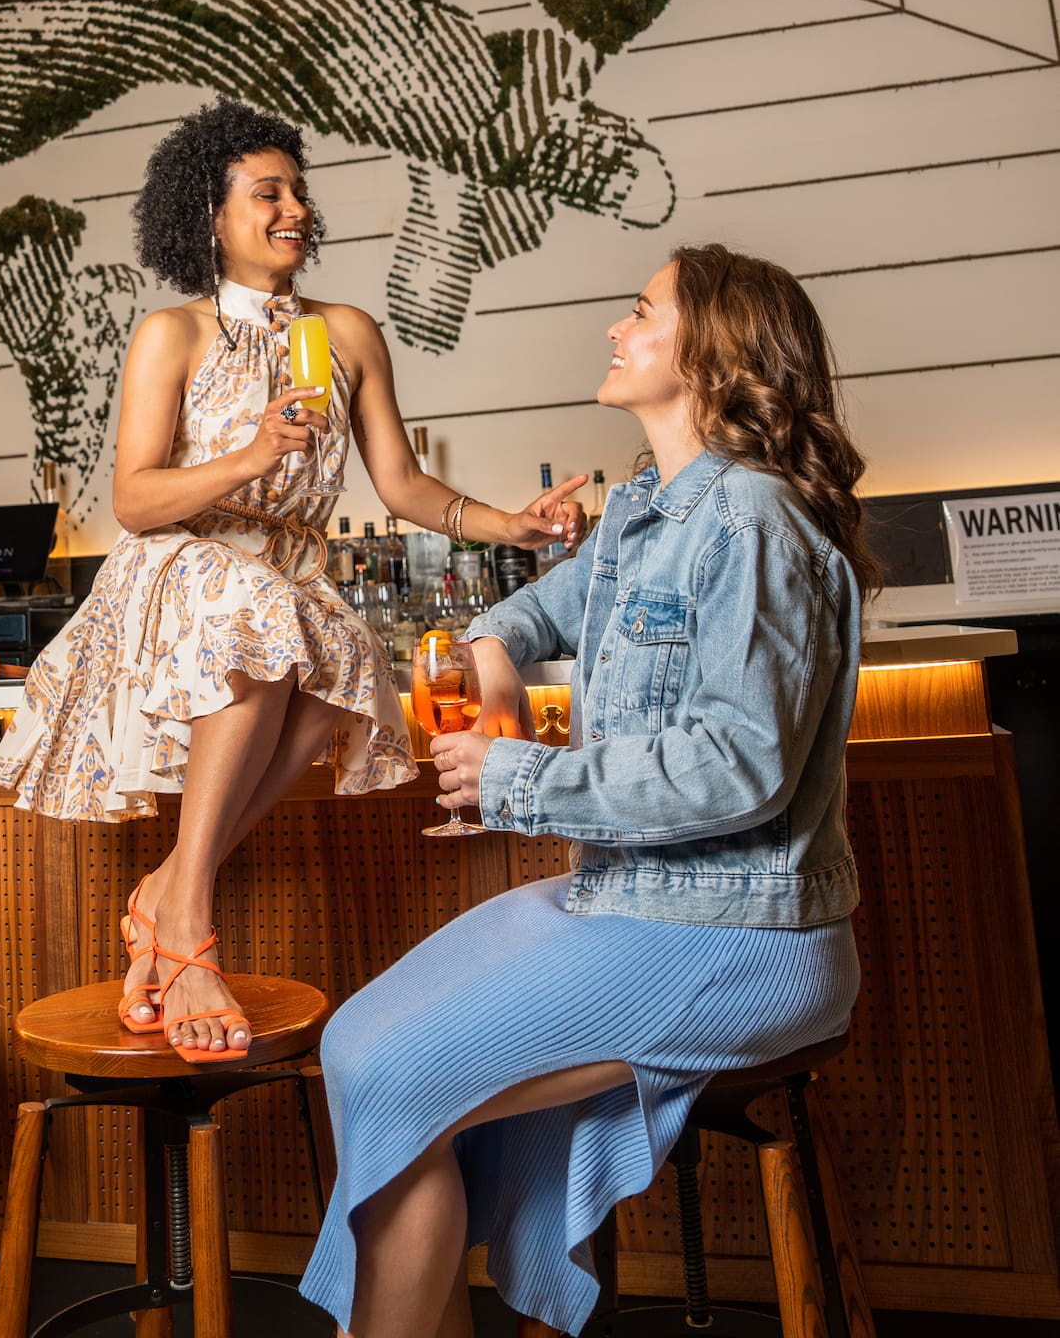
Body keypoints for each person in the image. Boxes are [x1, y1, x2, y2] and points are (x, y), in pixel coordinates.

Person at [298, 242, 880, 1338]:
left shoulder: (753, 522)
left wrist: (515, 773)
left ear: (712, 352)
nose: (616, 329)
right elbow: (515, 616)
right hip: (632, 899)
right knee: (360, 1041)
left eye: (640, 311)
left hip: (737, 933)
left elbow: (737, 766)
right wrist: (495, 658)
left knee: (384, 1063)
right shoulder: (644, 511)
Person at [0, 97, 586, 1059]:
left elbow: (400, 484)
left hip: (290, 578)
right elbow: (136, 501)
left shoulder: (347, 333)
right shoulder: (170, 336)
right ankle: (188, 923)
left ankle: (172, 885)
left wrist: (511, 522)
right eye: (267, 193)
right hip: (185, 567)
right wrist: (252, 453)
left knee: (341, 647)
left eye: (299, 191)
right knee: (266, 614)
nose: (295, 209)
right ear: (210, 219)